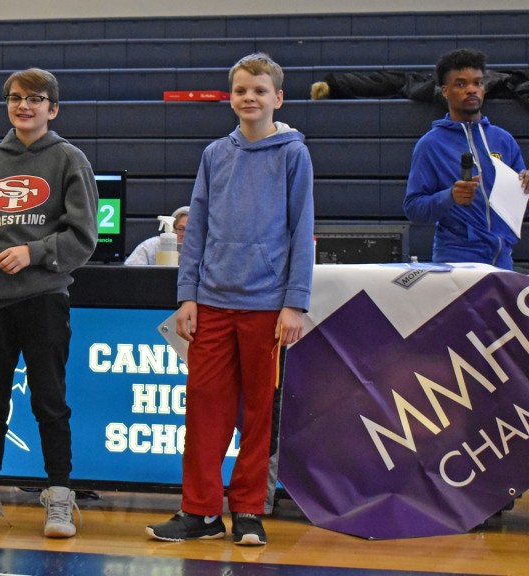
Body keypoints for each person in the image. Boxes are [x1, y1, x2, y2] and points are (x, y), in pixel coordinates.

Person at [146, 53, 314, 547]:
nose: (249, 98)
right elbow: (196, 228)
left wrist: (295, 302)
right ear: (231, 97)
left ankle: (248, 509)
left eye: (259, 91)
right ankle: (200, 511)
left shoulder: (294, 155)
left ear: (277, 98)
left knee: (259, 413)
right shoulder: (214, 154)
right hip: (212, 304)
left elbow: (301, 230)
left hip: (267, 307)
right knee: (204, 411)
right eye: (241, 90)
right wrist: (188, 295)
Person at [0, 68, 99, 538]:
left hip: (45, 298)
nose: (24, 106)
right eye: (15, 98)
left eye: (34, 99)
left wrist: (34, 252)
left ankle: (60, 496)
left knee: (49, 401)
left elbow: (83, 235)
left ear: (53, 108)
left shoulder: (69, 160)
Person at [404, 48, 529, 270]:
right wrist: (450, 196)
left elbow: (520, 202)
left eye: (478, 83)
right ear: (445, 91)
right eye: (461, 84)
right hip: (456, 262)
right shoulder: (430, 145)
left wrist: (526, 184)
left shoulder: (504, 140)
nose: (472, 89)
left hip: (502, 262)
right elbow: (413, 209)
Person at [124, 206, 190, 265]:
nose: (185, 235)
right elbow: (129, 272)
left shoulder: (196, 250)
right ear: (172, 229)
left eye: (190, 231)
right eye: (181, 229)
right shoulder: (151, 246)